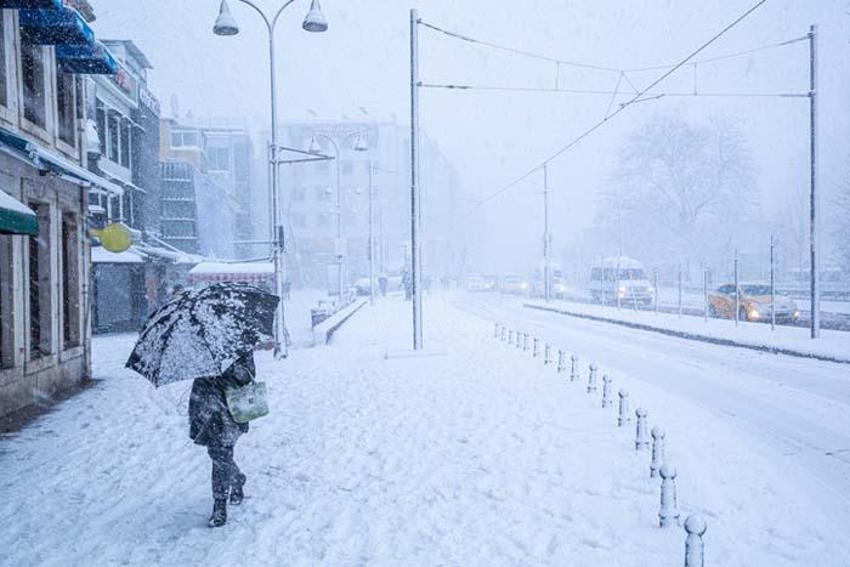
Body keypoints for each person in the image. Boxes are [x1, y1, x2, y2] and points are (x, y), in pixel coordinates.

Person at [188, 352, 255, 528]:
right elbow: (196, 377)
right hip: (206, 409)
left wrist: (227, 372)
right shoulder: (199, 345)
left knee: (221, 456)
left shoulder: (237, 344)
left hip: (231, 411)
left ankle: (219, 504)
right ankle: (237, 479)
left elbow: (247, 376)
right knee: (217, 454)